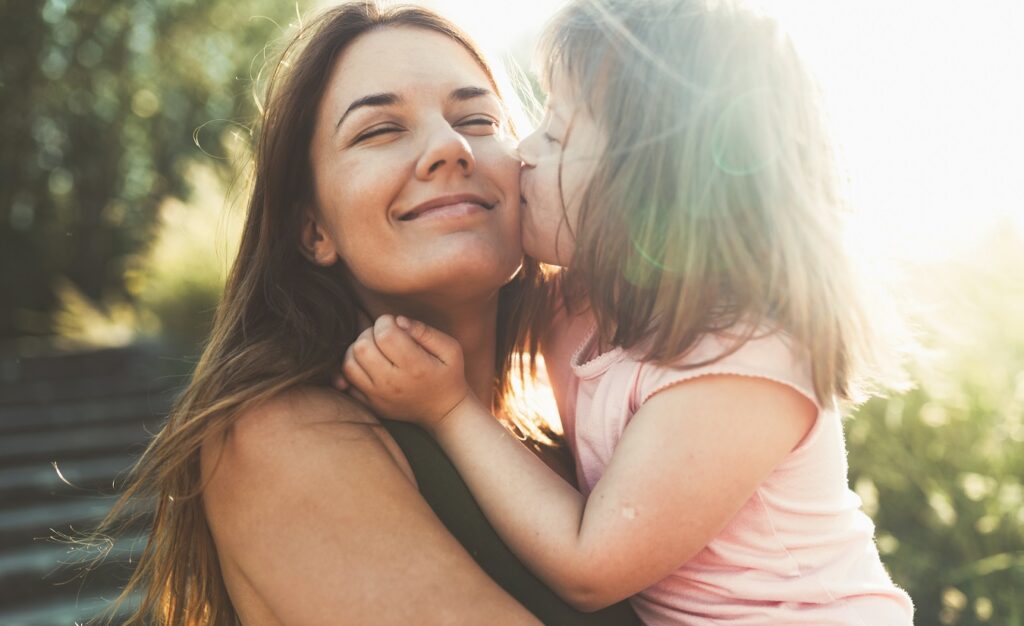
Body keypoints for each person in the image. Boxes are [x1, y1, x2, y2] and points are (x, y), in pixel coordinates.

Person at [339, 0, 916, 623]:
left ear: (652, 186)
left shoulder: (739, 358)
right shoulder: (584, 300)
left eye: (556, 134)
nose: (522, 153)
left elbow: (592, 570)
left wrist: (447, 408)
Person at [84, 3, 641, 624]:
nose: (451, 147)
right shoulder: (280, 436)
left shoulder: (578, 435)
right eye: (379, 130)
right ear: (313, 228)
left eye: (478, 119)